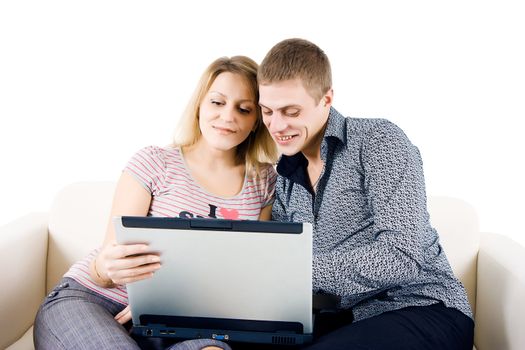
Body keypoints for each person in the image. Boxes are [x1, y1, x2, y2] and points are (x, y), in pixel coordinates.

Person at [34, 56, 278, 350]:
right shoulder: (155, 162)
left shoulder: (264, 181)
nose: (228, 116)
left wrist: (167, 307)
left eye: (244, 109)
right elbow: (104, 268)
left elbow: (249, 278)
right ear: (199, 105)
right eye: (217, 102)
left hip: (187, 324)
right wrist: (106, 267)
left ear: (256, 122)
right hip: (94, 300)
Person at [256, 38, 474, 349]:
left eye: (291, 111)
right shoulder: (286, 179)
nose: (276, 125)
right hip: (344, 319)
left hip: (421, 307)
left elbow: (402, 255)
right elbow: (278, 262)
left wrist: (300, 269)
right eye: (267, 111)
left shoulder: (378, 142)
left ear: (326, 99)